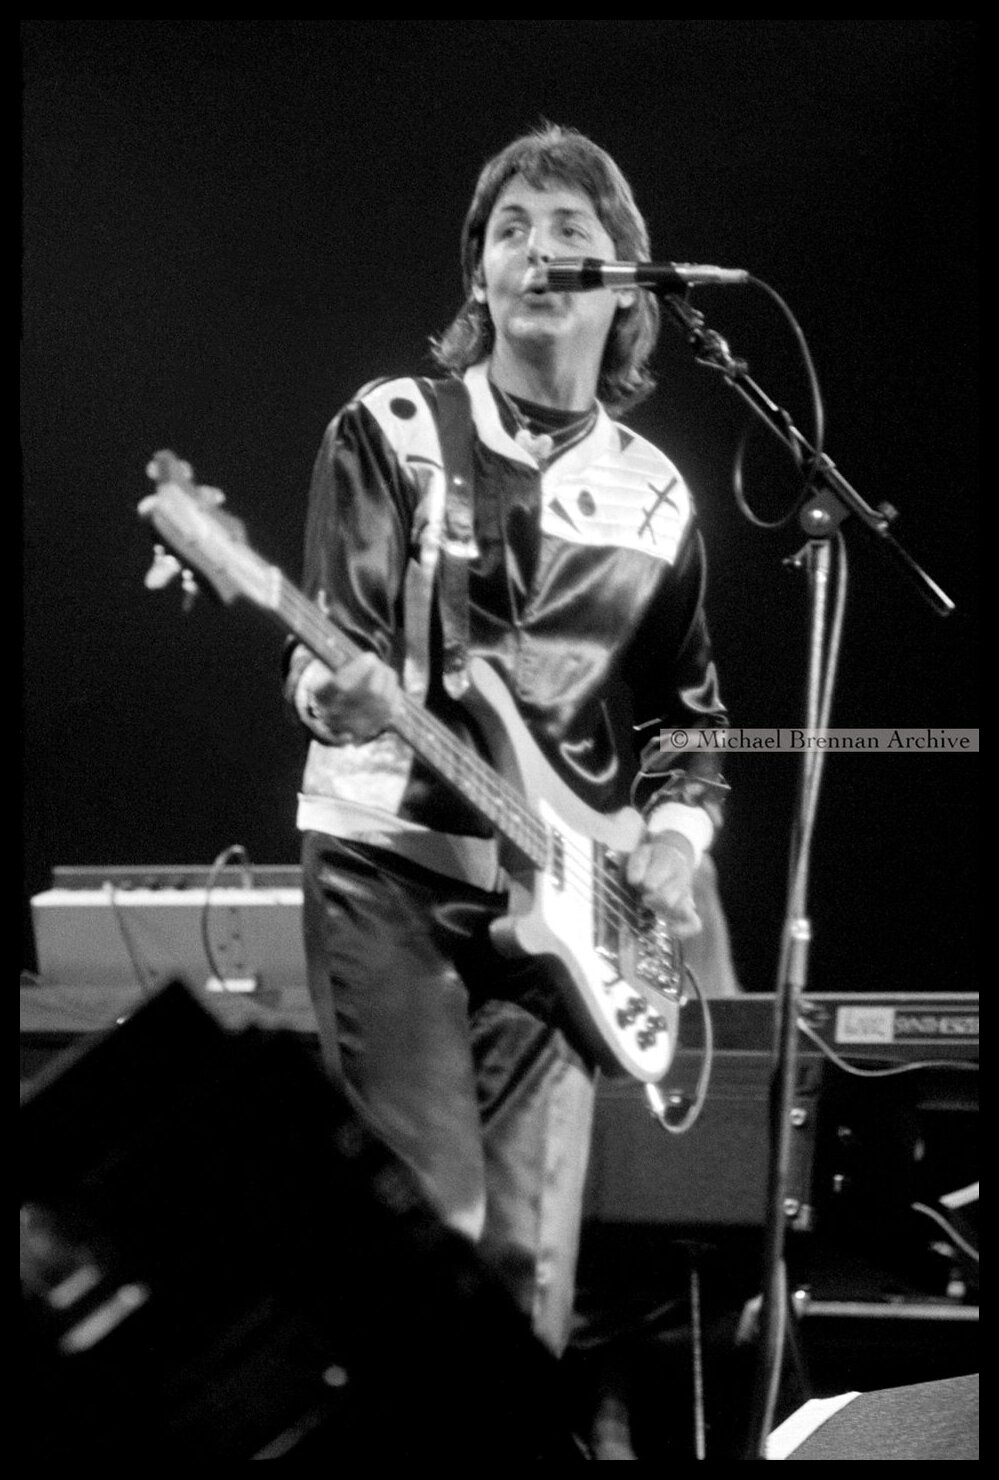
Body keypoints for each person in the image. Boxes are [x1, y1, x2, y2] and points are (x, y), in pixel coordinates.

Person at [283, 124, 729, 1358]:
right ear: (478, 275)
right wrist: (327, 692)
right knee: (437, 1221)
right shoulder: (396, 426)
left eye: (569, 230)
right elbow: (334, 642)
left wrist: (673, 843)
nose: (536, 251)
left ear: (625, 282)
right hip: (391, 867)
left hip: (570, 906)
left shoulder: (656, 493)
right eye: (509, 230)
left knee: (530, 1269)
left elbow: (691, 724)